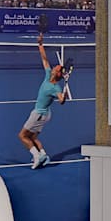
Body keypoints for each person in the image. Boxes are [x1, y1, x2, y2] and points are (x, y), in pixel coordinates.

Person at [23, 34, 73, 169]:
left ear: (58, 74)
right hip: (45, 114)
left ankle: (37, 157)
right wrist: (40, 44)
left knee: (22, 136)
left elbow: (61, 101)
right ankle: (44, 155)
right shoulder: (48, 75)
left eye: (57, 68)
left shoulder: (55, 87)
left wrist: (64, 94)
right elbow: (44, 59)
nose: (55, 66)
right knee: (33, 138)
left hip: (39, 114)